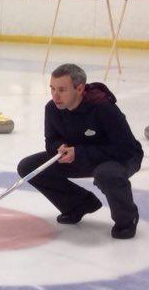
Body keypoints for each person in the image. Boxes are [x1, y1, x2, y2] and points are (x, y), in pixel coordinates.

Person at [17, 63, 143, 239]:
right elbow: (51, 140)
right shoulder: (52, 108)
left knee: (107, 174)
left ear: (80, 88)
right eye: (52, 88)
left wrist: (80, 153)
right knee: (29, 167)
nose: (55, 95)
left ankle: (127, 219)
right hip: (81, 155)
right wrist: (58, 148)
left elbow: (125, 148)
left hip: (121, 157)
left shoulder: (102, 107)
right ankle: (78, 204)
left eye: (62, 89)